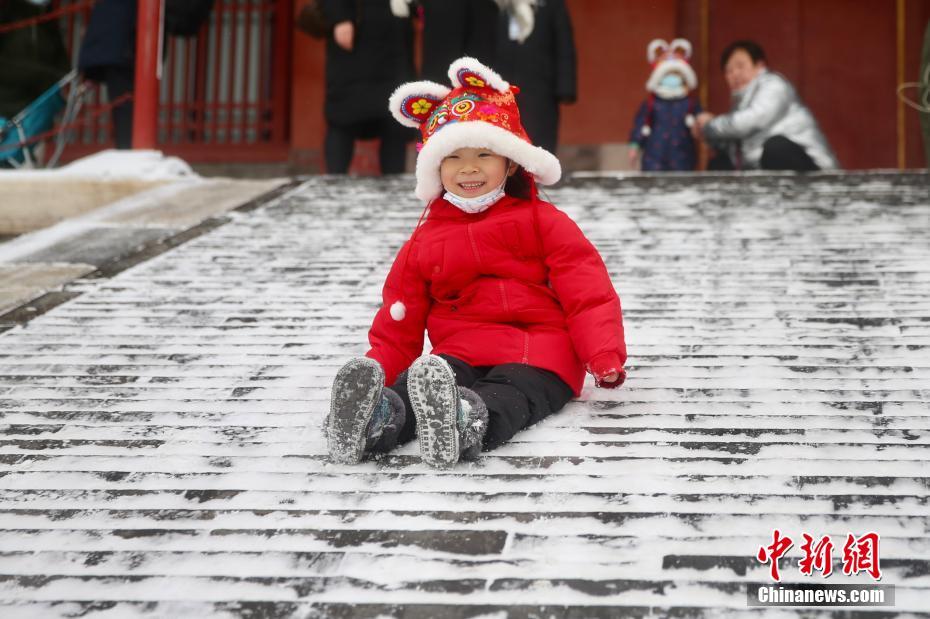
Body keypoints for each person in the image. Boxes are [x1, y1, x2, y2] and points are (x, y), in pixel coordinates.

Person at [325, 57, 627, 468]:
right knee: (423, 384)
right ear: (436, 167)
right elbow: (401, 321)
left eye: (484, 154)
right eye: (453, 157)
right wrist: (379, 368)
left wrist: (603, 353)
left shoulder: (542, 221)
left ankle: (468, 421)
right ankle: (378, 417)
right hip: (461, 351)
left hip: (537, 352)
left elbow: (586, 288)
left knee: (512, 392)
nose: (469, 168)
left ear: (510, 161)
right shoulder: (425, 240)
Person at [694, 39, 838, 171]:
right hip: (765, 170)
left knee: (776, 148)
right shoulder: (739, 105)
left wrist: (710, 125)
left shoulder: (774, 84)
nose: (735, 74)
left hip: (814, 170)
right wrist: (707, 134)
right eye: (729, 71)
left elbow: (752, 120)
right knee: (719, 164)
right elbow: (737, 149)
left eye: (740, 66)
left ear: (760, 66)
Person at [322, 0, 416, 174]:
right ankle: (333, 182)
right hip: (357, 28)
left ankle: (395, 185)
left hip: (395, 32)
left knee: (396, 113)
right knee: (343, 114)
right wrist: (340, 17)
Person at [492, 0, 576, 154]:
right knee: (502, 135)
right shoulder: (496, 5)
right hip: (500, 85)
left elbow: (564, 44)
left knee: (540, 138)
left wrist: (565, 88)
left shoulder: (552, 4)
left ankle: (539, 177)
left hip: (540, 86)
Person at [629, 38, 701, 171]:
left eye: (675, 75)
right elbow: (641, 124)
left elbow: (701, 123)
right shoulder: (651, 102)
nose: (671, 78)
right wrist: (635, 145)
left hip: (683, 157)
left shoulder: (690, 103)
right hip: (654, 157)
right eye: (667, 75)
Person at [0, 0, 71, 121]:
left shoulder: (47, 18)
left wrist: (65, 82)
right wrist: (48, 78)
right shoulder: (8, 14)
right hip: (7, 108)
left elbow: (60, 57)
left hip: (38, 109)